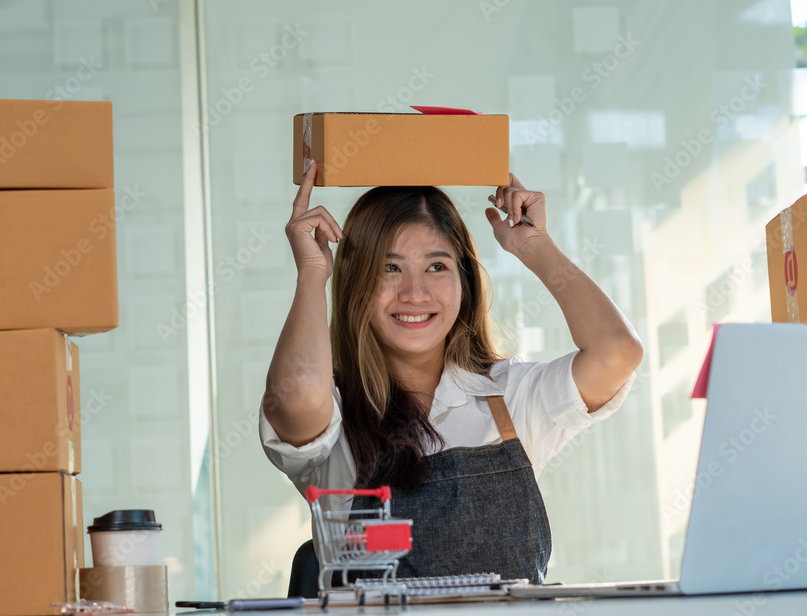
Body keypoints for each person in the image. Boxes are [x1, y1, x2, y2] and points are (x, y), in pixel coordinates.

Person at [259, 160, 643, 584]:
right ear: (357, 283)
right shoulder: (331, 409)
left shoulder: (511, 396)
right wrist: (313, 275)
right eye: (390, 268)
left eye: (437, 266)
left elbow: (617, 351)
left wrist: (535, 246)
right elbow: (296, 397)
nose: (415, 292)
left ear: (464, 281)